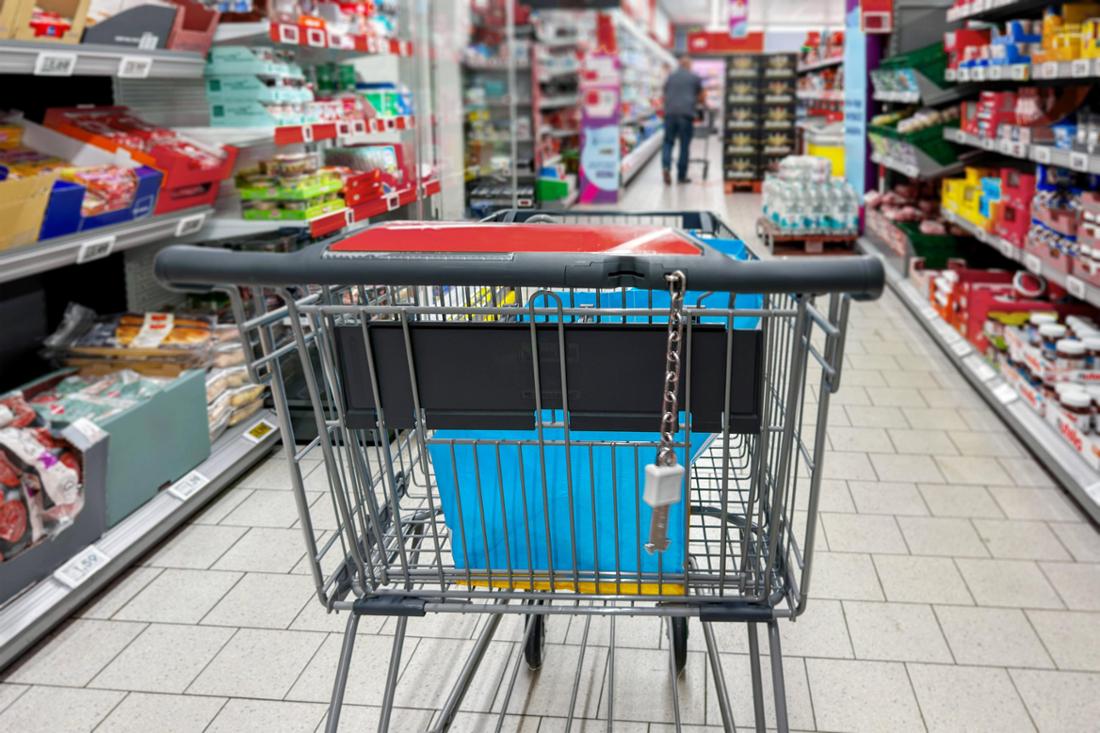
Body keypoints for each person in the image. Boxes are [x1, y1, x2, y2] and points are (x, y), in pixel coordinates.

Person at [661, 55, 704, 185]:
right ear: (689, 65)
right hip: (686, 115)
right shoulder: (694, 77)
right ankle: (681, 176)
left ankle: (666, 167)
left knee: (668, 142)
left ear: (679, 65)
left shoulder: (670, 77)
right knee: (684, 146)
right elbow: (701, 96)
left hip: (670, 114)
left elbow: (665, 92)